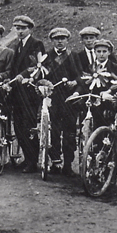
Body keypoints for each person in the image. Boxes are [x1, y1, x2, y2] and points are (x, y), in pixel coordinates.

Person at [7, 15, 47, 173]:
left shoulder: (36, 44)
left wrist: (22, 75)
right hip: (18, 92)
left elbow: (36, 66)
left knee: (29, 127)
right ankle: (26, 158)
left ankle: (32, 161)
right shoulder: (18, 45)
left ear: (30, 29)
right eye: (17, 28)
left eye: (23, 28)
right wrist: (10, 82)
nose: (20, 31)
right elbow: (14, 68)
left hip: (29, 92)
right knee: (18, 127)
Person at [42, 27, 81, 176]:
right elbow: (42, 75)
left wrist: (73, 82)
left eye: (62, 38)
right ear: (52, 40)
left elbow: (79, 76)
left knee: (70, 132)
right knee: (53, 131)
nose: (59, 41)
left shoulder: (73, 56)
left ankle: (68, 164)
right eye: (56, 39)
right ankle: (55, 162)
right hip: (53, 99)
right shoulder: (47, 57)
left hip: (69, 99)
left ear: (67, 40)